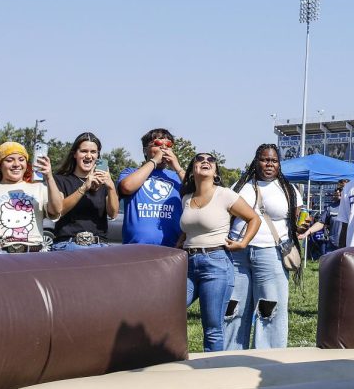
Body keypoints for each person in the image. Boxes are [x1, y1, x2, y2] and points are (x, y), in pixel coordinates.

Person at [178, 152, 260, 352]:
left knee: (212, 327)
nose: (205, 161)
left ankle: (213, 372)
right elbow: (187, 231)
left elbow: (254, 218)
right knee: (170, 308)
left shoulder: (225, 194)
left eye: (210, 160)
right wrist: (176, 249)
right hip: (188, 264)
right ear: (192, 171)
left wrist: (243, 243)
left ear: (215, 172)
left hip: (216, 263)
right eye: (199, 159)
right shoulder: (186, 199)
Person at [224, 143, 303, 350]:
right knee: (233, 307)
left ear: (279, 164)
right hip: (237, 256)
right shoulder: (240, 187)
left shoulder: (288, 189)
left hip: (271, 253)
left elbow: (297, 222)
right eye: (264, 159)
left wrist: (303, 225)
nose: (269, 164)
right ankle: (229, 355)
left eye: (274, 160)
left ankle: (268, 357)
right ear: (256, 161)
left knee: (269, 307)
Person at [0, 142, 65, 253]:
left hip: (33, 255)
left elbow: (57, 209)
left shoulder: (40, 188)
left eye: (21, 159)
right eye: (9, 160)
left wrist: (49, 176)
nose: (16, 164)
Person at [50, 132, 118, 249]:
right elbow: (58, 211)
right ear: (75, 154)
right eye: (84, 151)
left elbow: (113, 213)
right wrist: (84, 187)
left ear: (98, 155)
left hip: (99, 244)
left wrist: (111, 187)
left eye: (93, 152)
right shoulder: (60, 180)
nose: (88, 156)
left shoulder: (104, 183)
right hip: (69, 244)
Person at [118, 128, 185, 246]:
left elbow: (197, 191)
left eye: (168, 145)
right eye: (158, 144)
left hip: (171, 250)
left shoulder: (176, 176)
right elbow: (127, 187)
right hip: (135, 249)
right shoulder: (130, 172)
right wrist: (154, 161)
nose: (163, 148)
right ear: (145, 150)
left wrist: (178, 167)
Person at [299, 179, 346, 257]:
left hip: (350, 247)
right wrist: (306, 233)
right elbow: (321, 222)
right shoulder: (331, 207)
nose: (338, 191)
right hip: (333, 247)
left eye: (342, 189)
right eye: (338, 189)